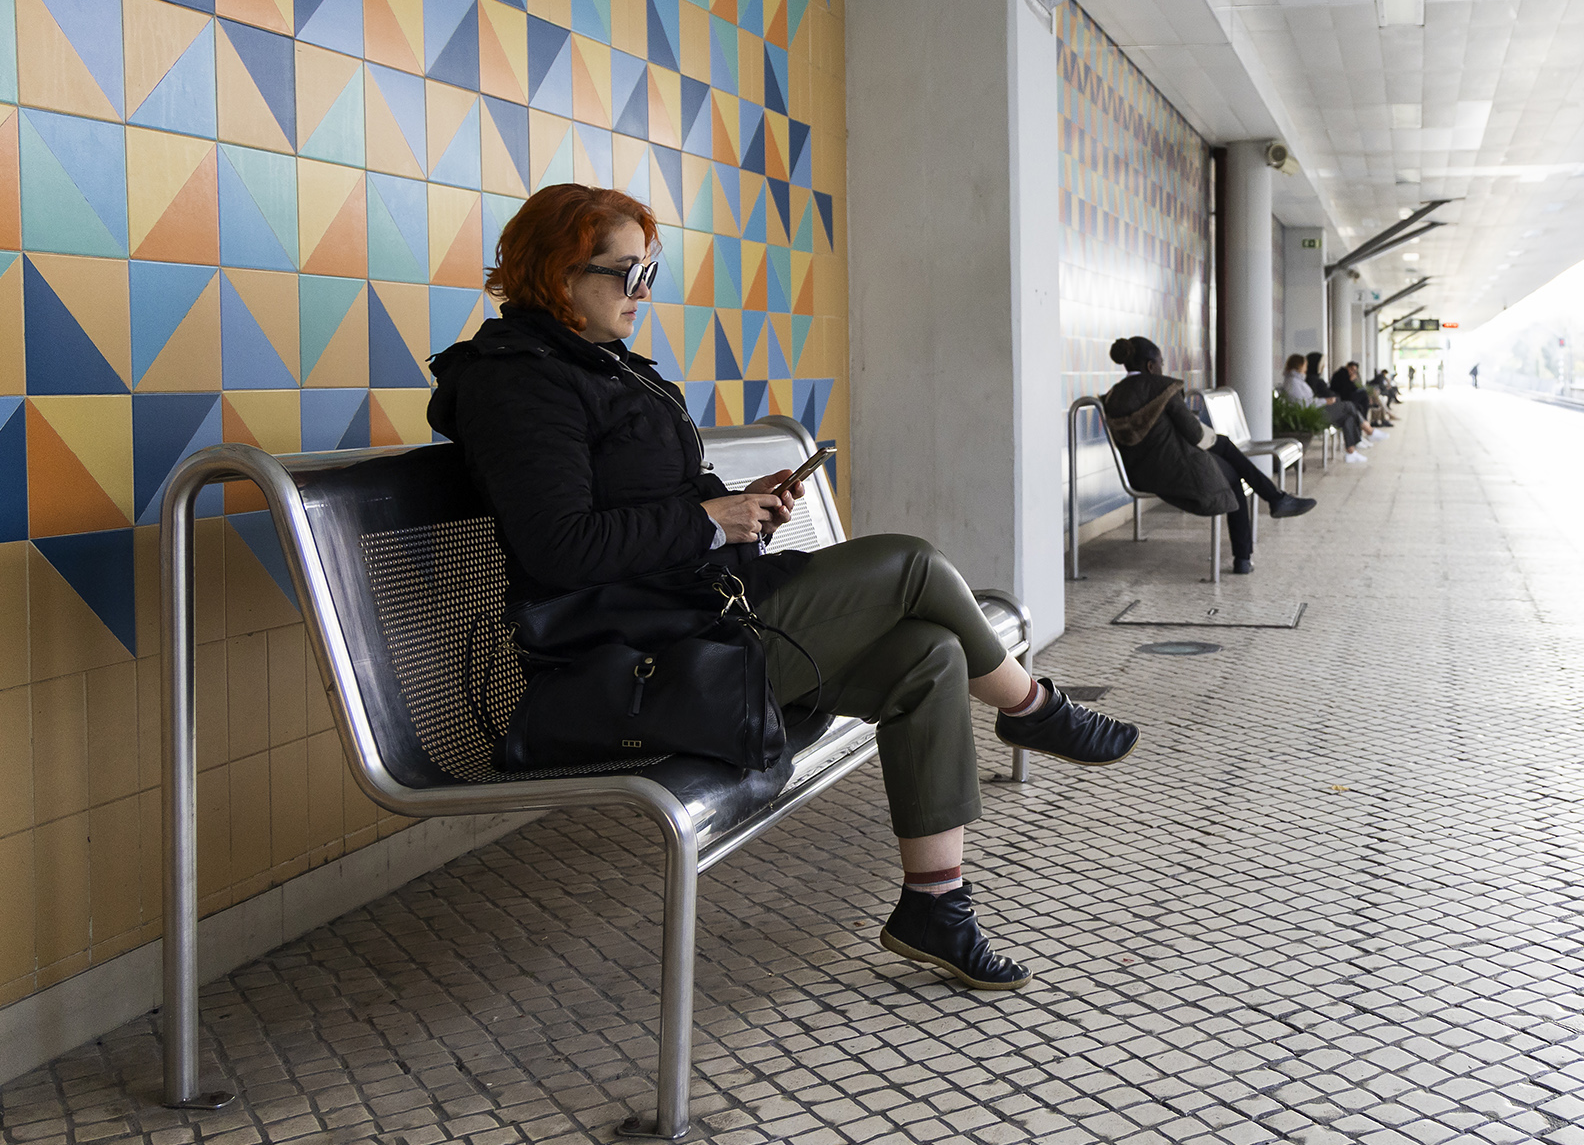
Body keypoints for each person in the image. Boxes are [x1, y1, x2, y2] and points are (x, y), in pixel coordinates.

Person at [428, 184, 1141, 992]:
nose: (644, 292)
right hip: (641, 658)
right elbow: (560, 547)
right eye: (627, 273)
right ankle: (1032, 708)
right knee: (911, 563)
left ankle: (934, 906)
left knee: (931, 654)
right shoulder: (519, 382)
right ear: (559, 274)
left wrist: (743, 512)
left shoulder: (603, 365)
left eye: (650, 271)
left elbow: (659, 504)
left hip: (700, 613)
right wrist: (709, 520)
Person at [1103, 336, 1315, 575]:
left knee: (1225, 451)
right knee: (1232, 468)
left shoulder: (1112, 395)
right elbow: (1194, 434)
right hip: (1174, 474)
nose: (1162, 367)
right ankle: (1246, 551)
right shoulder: (1162, 388)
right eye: (1161, 363)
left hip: (1139, 476)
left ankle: (1275, 500)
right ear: (1151, 366)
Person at [1284, 352, 1379, 464]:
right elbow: (1304, 405)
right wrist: (1325, 401)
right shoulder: (1294, 383)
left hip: (1314, 411)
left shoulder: (1297, 381)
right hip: (1311, 416)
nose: (1306, 367)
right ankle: (1368, 430)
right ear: (1299, 366)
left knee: (1348, 417)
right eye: (1305, 365)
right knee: (1349, 406)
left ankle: (1351, 452)